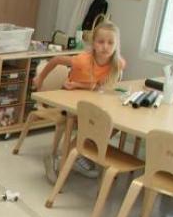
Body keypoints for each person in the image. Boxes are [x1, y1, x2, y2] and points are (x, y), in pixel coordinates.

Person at [32, 20, 126, 181]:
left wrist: (80, 84)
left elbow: (97, 86)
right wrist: (40, 78)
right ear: (93, 43)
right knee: (95, 125)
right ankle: (64, 158)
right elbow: (56, 60)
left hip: (90, 101)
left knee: (113, 126)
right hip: (69, 102)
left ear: (117, 45)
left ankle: (77, 154)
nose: (105, 47)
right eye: (101, 42)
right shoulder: (83, 60)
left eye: (111, 43)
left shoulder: (117, 64)